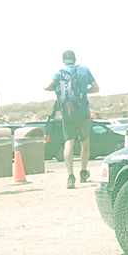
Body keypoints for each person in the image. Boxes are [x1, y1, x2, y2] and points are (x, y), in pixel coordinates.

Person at [45, 50, 99, 189]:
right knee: (85, 142)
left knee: (69, 142)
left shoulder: (60, 74)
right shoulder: (84, 70)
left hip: (67, 114)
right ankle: (83, 172)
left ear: (63, 60)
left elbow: (49, 86)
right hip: (83, 112)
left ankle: (70, 176)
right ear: (75, 59)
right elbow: (96, 88)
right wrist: (84, 91)